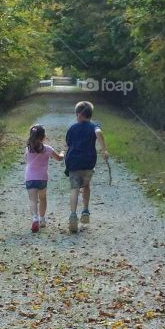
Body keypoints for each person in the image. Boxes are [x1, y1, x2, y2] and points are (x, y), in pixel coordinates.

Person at [63, 100, 109, 234]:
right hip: (89, 162)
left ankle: (73, 214)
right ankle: (86, 211)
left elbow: (68, 144)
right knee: (86, 186)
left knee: (74, 188)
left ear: (78, 114)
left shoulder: (72, 128)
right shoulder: (94, 126)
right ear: (90, 114)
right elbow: (99, 132)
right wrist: (104, 150)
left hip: (73, 162)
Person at [24, 124, 63, 233]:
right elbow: (59, 158)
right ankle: (42, 219)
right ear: (43, 136)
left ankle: (34, 218)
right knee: (42, 198)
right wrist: (63, 153)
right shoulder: (47, 149)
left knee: (32, 200)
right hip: (42, 179)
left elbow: (26, 160)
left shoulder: (28, 149)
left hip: (30, 178)